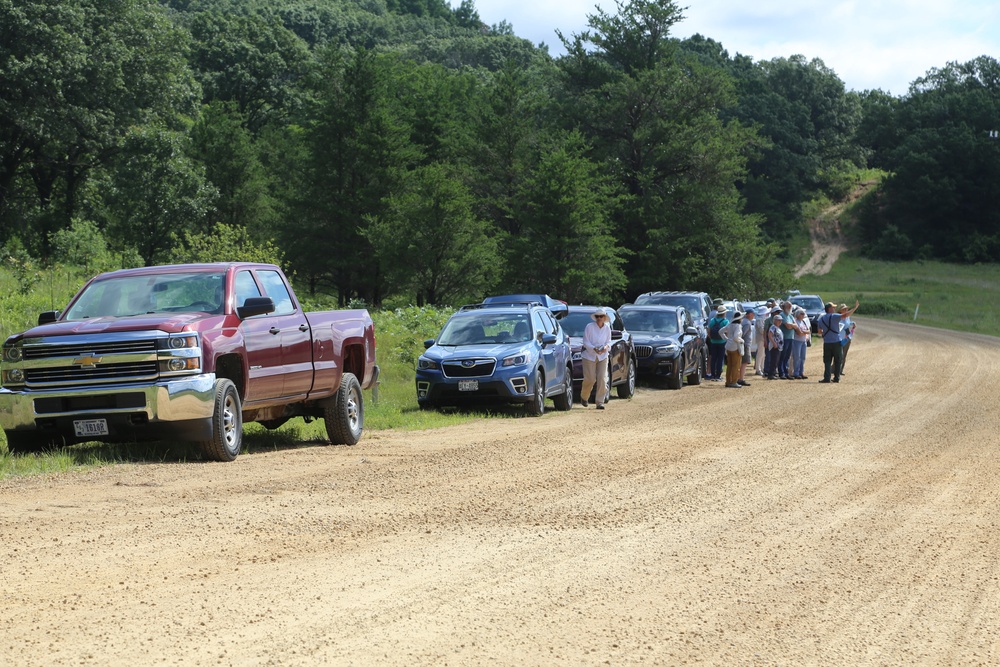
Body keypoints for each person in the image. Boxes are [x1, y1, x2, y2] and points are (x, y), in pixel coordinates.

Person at [816, 300, 858, 383]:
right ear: (829, 309)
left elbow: (819, 332)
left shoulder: (821, 319)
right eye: (833, 307)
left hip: (827, 342)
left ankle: (827, 378)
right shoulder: (834, 316)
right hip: (836, 341)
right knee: (838, 360)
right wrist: (854, 308)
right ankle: (836, 377)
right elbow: (845, 315)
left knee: (827, 361)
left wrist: (826, 333)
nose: (834, 308)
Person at [580, 307, 612, 409]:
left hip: (603, 356)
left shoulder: (607, 328)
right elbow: (585, 342)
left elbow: (609, 342)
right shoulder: (589, 327)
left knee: (602, 379)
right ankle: (584, 397)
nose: (599, 318)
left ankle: (600, 402)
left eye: (601, 316)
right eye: (597, 316)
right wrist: (594, 348)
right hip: (589, 356)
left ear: (604, 318)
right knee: (590, 379)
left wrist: (605, 347)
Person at [706, 305, 729, 382]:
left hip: (713, 342)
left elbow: (708, 330)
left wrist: (711, 338)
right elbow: (727, 333)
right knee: (720, 358)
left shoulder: (713, 320)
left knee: (713, 358)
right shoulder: (726, 322)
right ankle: (718, 375)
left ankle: (713, 375)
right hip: (722, 342)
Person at [722, 311, 744, 388]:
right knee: (736, 365)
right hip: (735, 347)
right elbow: (736, 337)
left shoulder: (730, 325)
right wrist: (741, 340)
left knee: (729, 365)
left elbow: (720, 331)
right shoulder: (738, 326)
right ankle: (734, 381)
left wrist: (726, 339)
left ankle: (728, 381)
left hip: (728, 347)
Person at [790, 308, 810, 379]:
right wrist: (804, 332)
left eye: (803, 313)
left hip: (803, 341)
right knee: (797, 357)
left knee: (803, 357)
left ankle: (801, 372)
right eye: (801, 313)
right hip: (797, 341)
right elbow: (799, 333)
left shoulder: (803, 322)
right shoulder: (795, 322)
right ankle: (796, 372)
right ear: (797, 314)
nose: (803, 315)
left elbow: (808, 331)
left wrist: (803, 332)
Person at [838, 303, 857, 375]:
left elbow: (848, 323)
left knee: (844, 354)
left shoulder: (847, 317)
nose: (846, 310)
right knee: (839, 354)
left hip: (847, 338)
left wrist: (853, 323)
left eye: (846, 309)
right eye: (844, 309)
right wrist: (855, 308)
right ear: (840, 311)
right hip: (840, 338)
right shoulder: (839, 317)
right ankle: (836, 368)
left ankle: (840, 370)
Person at [778, 300, 795, 379]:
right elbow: (787, 326)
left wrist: (791, 325)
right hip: (784, 338)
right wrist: (792, 326)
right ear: (784, 307)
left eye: (790, 306)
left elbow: (796, 325)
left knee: (787, 356)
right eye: (788, 306)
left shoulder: (790, 316)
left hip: (791, 338)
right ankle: (781, 372)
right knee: (782, 356)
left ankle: (786, 372)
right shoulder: (782, 315)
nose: (790, 308)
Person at [764, 314, 784, 379]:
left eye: (781, 321)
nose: (780, 322)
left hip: (779, 347)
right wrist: (774, 343)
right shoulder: (773, 327)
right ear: (775, 320)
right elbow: (769, 335)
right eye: (779, 320)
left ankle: (773, 373)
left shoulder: (778, 328)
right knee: (774, 360)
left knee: (776, 361)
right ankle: (770, 374)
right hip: (774, 346)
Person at [740, 308, 755, 386]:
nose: (753, 315)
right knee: (744, 362)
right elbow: (743, 334)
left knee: (743, 362)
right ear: (748, 314)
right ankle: (741, 379)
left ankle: (740, 378)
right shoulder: (747, 323)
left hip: (744, 344)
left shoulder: (744, 321)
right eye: (752, 314)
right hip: (745, 345)